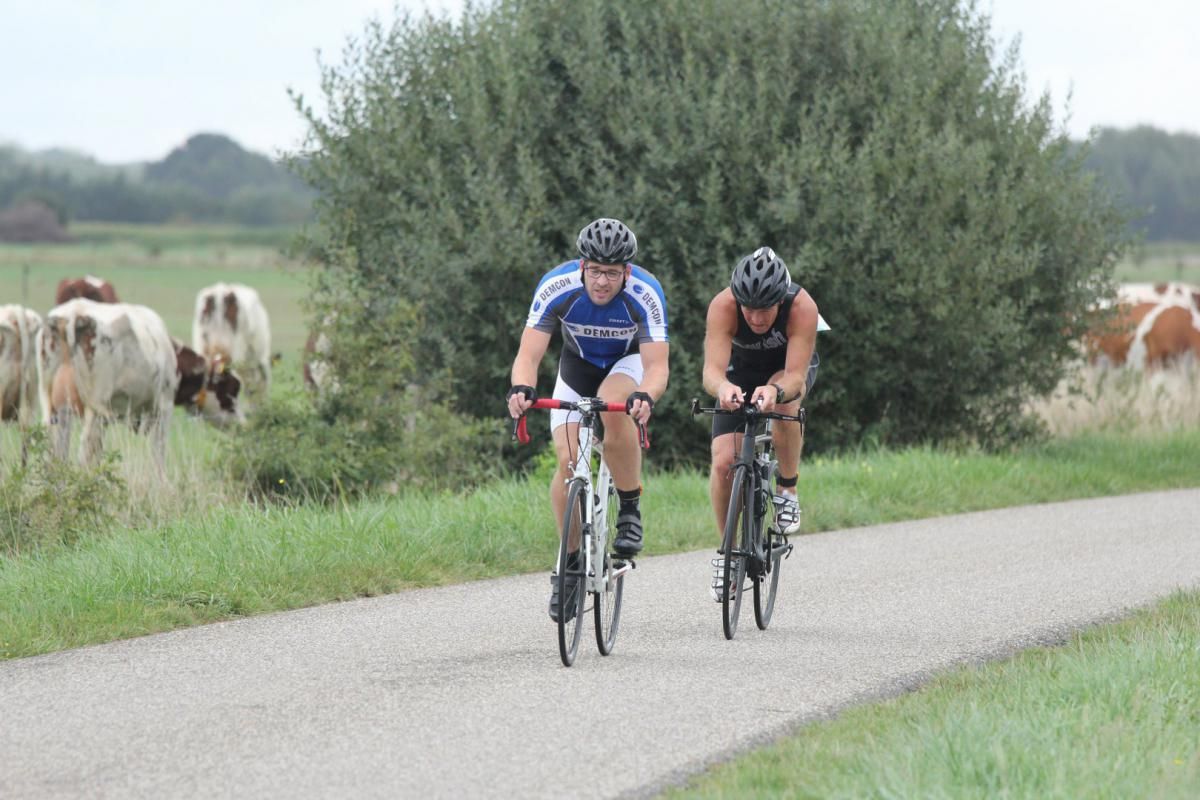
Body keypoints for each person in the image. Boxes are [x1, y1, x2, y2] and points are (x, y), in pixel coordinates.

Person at [506, 218, 670, 621]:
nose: (601, 282)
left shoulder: (644, 292)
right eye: (595, 271)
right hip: (575, 368)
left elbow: (657, 366)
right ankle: (572, 563)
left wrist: (646, 395)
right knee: (567, 463)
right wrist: (521, 389)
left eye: (612, 273)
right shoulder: (557, 286)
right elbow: (528, 356)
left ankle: (630, 507)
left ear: (626, 272)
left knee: (612, 406)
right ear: (582, 265)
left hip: (625, 366)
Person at [701, 246, 828, 601]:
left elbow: (795, 378)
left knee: (786, 408)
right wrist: (724, 388)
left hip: (784, 371)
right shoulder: (723, 305)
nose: (756, 318)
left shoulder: (801, 307)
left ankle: (787, 488)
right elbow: (711, 372)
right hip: (738, 371)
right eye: (749, 309)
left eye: (765, 309)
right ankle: (727, 553)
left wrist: (774, 390)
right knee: (725, 461)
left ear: (780, 300)